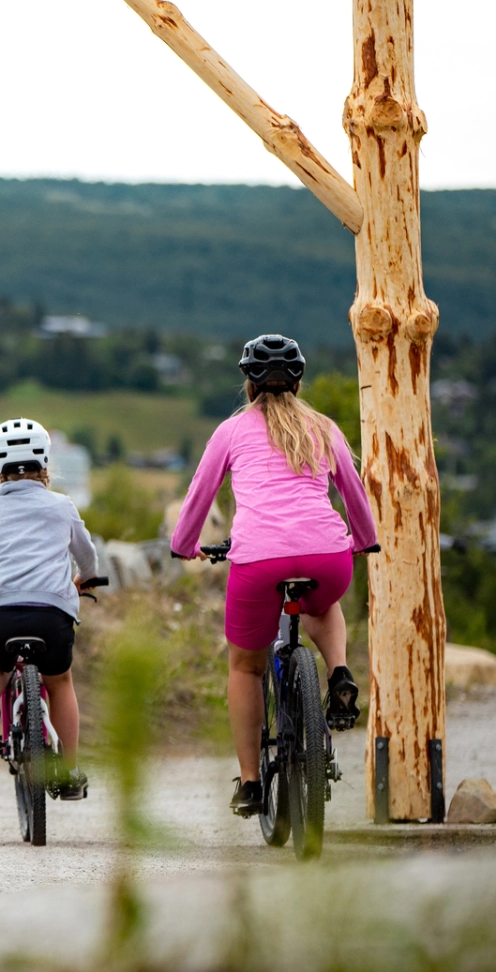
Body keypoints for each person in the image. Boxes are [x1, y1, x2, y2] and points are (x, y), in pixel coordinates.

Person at [169, 334, 378, 819]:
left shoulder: (231, 430)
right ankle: (339, 672)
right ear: (299, 382)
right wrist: (364, 541)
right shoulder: (324, 428)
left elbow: (201, 493)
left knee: (246, 667)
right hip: (328, 556)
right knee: (323, 604)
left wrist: (185, 545)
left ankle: (249, 783)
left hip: (257, 561)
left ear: (248, 382)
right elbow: (354, 491)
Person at [0, 418, 97, 799]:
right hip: (52, 614)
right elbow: (87, 555)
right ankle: (69, 769)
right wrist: (86, 578)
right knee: (60, 683)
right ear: (45, 463)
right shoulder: (62, 505)